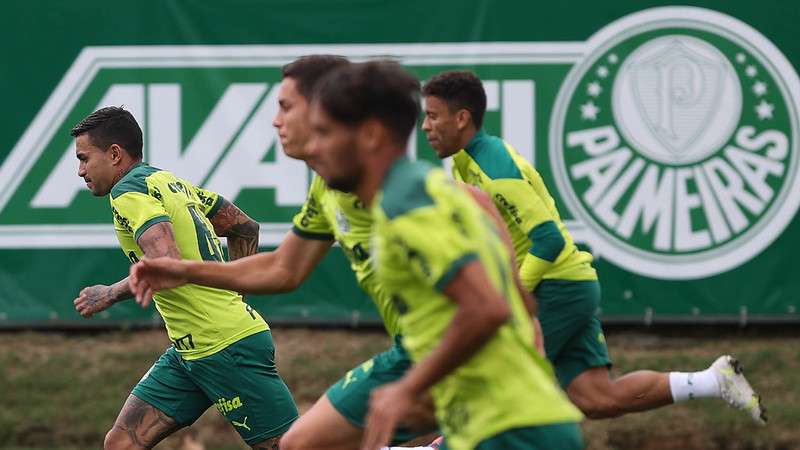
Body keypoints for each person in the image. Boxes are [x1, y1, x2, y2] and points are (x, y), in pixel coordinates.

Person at [419, 70, 767, 424]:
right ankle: (713, 381)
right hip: (569, 285)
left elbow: (549, 239)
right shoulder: (466, 163)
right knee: (598, 397)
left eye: (432, 116)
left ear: (461, 118)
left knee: (493, 385)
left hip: (555, 290)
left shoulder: (494, 169)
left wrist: (511, 296)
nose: (424, 127)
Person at [128, 55, 436, 449]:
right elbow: (283, 268)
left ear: (327, 106)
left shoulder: (414, 196)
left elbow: (491, 308)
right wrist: (186, 271)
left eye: (286, 106)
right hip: (414, 354)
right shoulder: (329, 189)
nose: (276, 121)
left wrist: (418, 381)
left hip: (451, 361)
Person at [306, 60, 584, 450]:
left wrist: (407, 388)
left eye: (323, 132)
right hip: (500, 423)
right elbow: (518, 301)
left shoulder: (406, 206)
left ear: (369, 135)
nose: (313, 147)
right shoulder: (443, 189)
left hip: (512, 431)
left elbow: (488, 308)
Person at [71, 106, 298, 450]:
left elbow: (167, 264)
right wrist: (233, 294)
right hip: (189, 350)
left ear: (114, 154)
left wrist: (111, 292)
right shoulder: (167, 181)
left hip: (225, 347)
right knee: (121, 444)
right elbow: (245, 228)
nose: (80, 170)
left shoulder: (128, 193)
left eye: (84, 158)